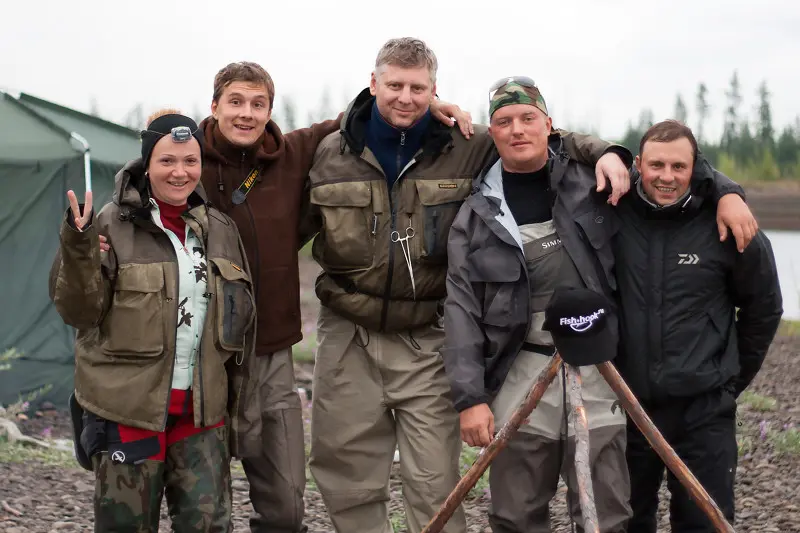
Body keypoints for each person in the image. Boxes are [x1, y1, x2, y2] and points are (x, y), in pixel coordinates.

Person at [302, 39, 641, 533]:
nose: (405, 96)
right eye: (394, 85)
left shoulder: (468, 144)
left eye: (418, 88)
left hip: (427, 336)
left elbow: (542, 132)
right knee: (347, 477)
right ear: (372, 84)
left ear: (434, 90)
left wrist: (609, 151)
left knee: (436, 482)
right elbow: (273, 202)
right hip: (348, 333)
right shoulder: (328, 151)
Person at [440, 81, 758, 533]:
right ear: (491, 133)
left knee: (606, 516)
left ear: (550, 126)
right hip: (519, 375)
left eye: (528, 118)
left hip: (601, 377)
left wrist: (727, 191)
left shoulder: (594, 182)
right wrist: (470, 398)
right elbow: (461, 311)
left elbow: (668, 173)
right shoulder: (474, 214)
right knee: (514, 515)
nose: (517, 130)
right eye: (504, 122)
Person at [193, 60, 473, 533]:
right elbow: (143, 180)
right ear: (214, 104)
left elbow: (358, 118)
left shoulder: (292, 153)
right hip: (199, 350)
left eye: (258, 104)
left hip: (269, 346)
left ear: (270, 110)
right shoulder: (186, 160)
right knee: (199, 496)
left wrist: (428, 109)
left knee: (285, 505)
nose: (246, 113)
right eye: (236, 102)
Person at [50, 110, 259, 532]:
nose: (180, 172)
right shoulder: (106, 224)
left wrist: (234, 414)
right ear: (147, 163)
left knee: (209, 527)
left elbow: (240, 331)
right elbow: (78, 313)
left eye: (190, 161)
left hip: (202, 417)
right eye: (167, 161)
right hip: (127, 412)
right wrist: (78, 248)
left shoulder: (219, 229)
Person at [613, 120, 783, 532]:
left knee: (704, 523)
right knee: (625, 522)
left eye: (678, 167)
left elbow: (764, 307)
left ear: (696, 168)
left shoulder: (727, 224)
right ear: (638, 164)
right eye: (656, 165)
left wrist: (728, 379)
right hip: (627, 407)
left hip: (703, 413)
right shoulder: (613, 214)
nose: (666, 177)